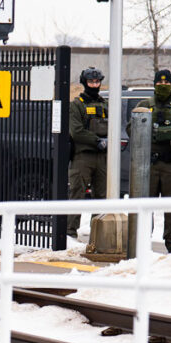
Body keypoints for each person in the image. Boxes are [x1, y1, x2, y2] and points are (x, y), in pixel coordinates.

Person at [130, 70, 171, 254]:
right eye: (159, 84)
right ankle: (143, 241)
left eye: (166, 84)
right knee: (145, 204)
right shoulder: (145, 105)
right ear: (154, 85)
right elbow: (131, 129)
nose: (163, 87)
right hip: (150, 163)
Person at [66, 67, 108, 240]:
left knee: (102, 196)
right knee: (77, 192)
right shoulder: (77, 105)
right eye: (91, 82)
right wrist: (96, 140)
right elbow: (76, 131)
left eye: (97, 81)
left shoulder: (105, 104)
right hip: (83, 156)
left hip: (102, 157)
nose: (94, 85)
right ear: (84, 83)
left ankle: (97, 236)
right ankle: (69, 233)